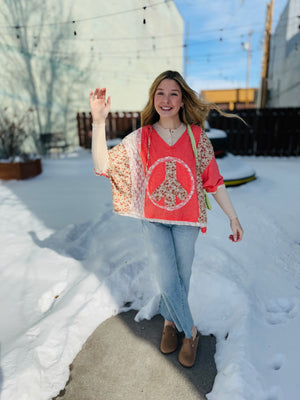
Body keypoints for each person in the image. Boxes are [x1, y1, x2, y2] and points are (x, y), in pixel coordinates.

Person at [89, 70, 243, 368]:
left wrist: (233, 217)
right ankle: (191, 331)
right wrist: (98, 122)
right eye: (160, 92)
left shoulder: (197, 137)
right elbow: (103, 165)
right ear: (153, 98)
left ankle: (171, 324)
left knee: (182, 279)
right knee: (167, 277)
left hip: (188, 221)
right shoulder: (142, 137)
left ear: (183, 99)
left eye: (173, 93)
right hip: (154, 219)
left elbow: (214, 181)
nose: (166, 99)